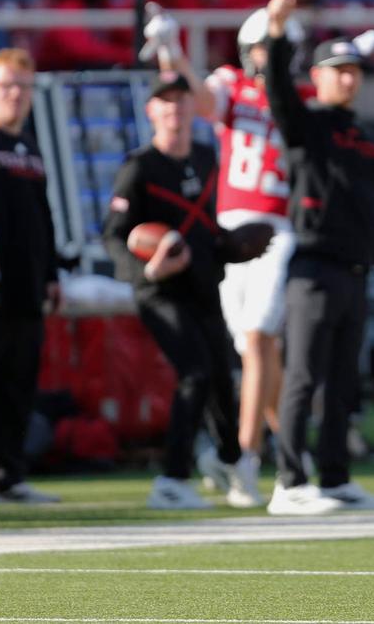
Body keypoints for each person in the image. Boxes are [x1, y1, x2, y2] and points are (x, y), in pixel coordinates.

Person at [141, 3, 307, 504]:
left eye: (272, 48)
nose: (264, 57)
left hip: (275, 228)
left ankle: (245, 457)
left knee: (257, 339)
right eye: (258, 47)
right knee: (254, 349)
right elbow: (203, 100)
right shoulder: (233, 85)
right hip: (228, 230)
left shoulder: (300, 97)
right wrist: (173, 51)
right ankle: (293, 454)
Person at [261, 0, 374, 516]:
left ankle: (336, 476)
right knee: (302, 377)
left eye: (353, 71)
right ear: (317, 76)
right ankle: (290, 482)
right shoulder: (309, 126)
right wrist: (277, 35)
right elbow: (278, 95)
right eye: (338, 70)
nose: (348, 79)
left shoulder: (367, 140)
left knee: (344, 382)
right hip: (313, 267)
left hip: (356, 269)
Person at [103, 72, 259, 510]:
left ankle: (229, 459)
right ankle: (171, 477)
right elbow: (116, 235)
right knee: (194, 372)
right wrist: (147, 268)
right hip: (159, 290)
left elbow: (210, 229)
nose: (175, 109)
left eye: (181, 100)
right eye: (165, 102)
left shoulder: (209, 157)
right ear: (151, 110)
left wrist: (233, 246)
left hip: (205, 285)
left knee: (222, 377)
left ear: (193, 108)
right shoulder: (139, 167)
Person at [0, 48, 61, 505]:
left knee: (19, 383)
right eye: (7, 85)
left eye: (24, 87)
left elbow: (41, 215)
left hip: (27, 284)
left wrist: (53, 272)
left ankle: (5, 476)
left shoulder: (30, 145)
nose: (17, 95)